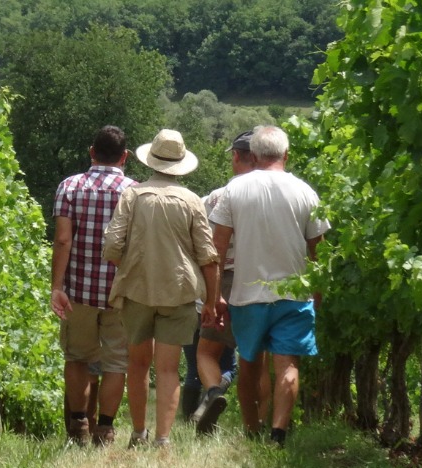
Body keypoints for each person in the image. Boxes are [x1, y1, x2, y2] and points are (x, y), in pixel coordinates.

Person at [207, 125, 330, 447]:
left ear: (256, 155)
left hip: (248, 294)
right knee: (288, 364)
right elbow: (318, 248)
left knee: (249, 363)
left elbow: (217, 248)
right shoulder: (305, 192)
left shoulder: (235, 190)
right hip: (294, 294)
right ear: (286, 155)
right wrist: (317, 292)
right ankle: (278, 432)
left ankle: (251, 429)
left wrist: (216, 294)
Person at [102, 129, 220, 447]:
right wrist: (210, 301)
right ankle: (163, 439)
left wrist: (129, 268)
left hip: (137, 290)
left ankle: (138, 433)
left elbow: (112, 245)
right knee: (168, 369)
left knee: (137, 365)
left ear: (151, 160)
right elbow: (208, 257)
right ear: (181, 162)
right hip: (179, 293)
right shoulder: (193, 201)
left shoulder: (132, 195)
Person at [50, 125, 137, 447]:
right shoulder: (134, 191)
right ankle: (106, 428)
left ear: (91, 152)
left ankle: (79, 424)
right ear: (125, 157)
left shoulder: (70, 187)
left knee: (76, 358)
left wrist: (56, 286)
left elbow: (62, 240)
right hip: (119, 293)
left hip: (79, 293)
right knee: (116, 363)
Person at [192, 130, 267, 435]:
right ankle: (264, 423)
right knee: (258, 355)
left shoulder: (215, 197)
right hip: (261, 280)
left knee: (206, 353)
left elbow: (202, 243)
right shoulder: (272, 195)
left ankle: (212, 393)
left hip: (224, 280)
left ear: (236, 157)